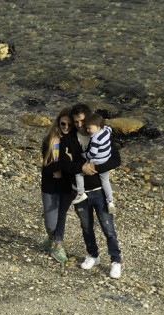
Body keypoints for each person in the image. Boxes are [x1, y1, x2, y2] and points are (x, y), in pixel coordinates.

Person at [60, 103, 123, 279]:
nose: (79, 125)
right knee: (86, 227)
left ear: (88, 119)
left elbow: (116, 160)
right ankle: (93, 255)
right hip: (79, 192)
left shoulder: (101, 135)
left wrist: (95, 167)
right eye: (76, 122)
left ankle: (115, 261)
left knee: (108, 228)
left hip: (99, 190)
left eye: (81, 121)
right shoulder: (69, 138)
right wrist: (82, 167)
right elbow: (64, 164)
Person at [39, 108, 75, 263]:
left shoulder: (76, 142)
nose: (66, 127)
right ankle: (51, 237)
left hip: (67, 186)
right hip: (50, 186)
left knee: (61, 216)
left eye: (69, 124)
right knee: (50, 223)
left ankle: (58, 246)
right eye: (63, 124)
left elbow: (75, 167)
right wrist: (62, 164)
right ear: (58, 123)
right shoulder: (50, 141)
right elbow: (46, 168)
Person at [72, 113, 116, 214]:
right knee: (106, 182)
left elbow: (92, 154)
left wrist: (84, 155)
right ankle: (110, 201)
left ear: (97, 126)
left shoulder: (95, 139)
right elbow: (110, 129)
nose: (88, 130)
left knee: (79, 174)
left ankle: (81, 193)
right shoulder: (106, 131)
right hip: (106, 158)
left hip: (97, 161)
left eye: (89, 128)